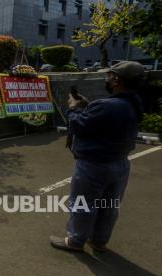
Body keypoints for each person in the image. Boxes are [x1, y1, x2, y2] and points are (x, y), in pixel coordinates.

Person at [50, 61, 145, 252]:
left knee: (83, 204)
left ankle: (75, 241)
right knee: (108, 205)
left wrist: (74, 108)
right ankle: (99, 240)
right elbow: (103, 122)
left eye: (109, 77)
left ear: (117, 80)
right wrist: (88, 106)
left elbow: (77, 125)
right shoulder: (134, 102)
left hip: (94, 166)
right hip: (120, 164)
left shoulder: (107, 105)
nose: (106, 80)